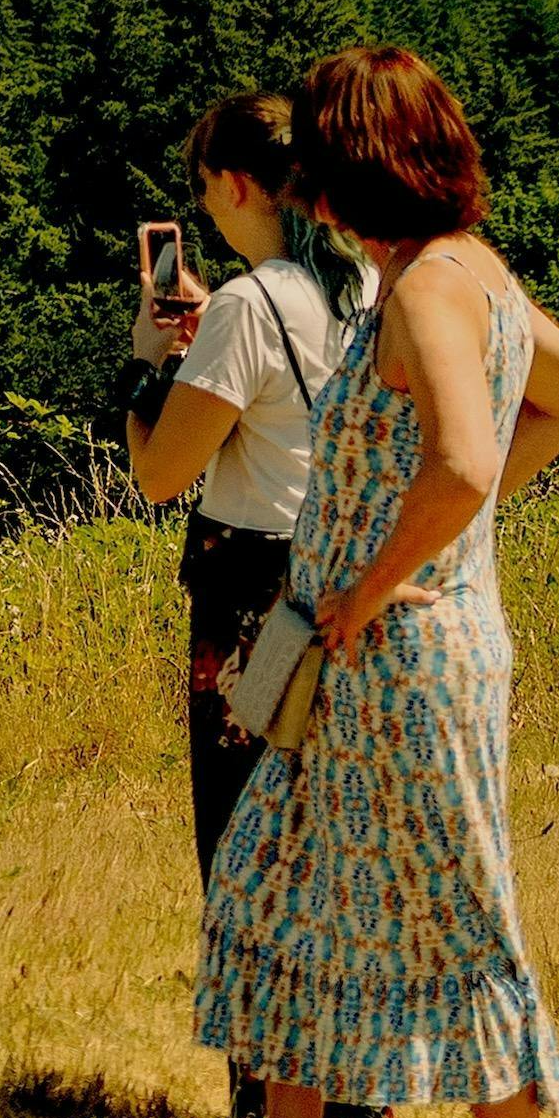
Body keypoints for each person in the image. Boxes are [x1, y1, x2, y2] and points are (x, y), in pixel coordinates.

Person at [174, 42, 559, 1118]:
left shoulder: (422, 292)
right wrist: (433, 555)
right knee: (282, 878)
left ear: (366, 166)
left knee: (456, 909)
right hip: (378, 646)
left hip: (398, 652)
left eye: (319, 162)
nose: (305, 189)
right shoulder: (474, 274)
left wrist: (379, 580)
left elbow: (463, 461)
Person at [126, 87, 349, 900]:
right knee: (324, 823)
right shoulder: (360, 282)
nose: (206, 208)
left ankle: (263, 1005)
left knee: (246, 826)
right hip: (350, 578)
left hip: (259, 603)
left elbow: (160, 474)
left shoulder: (249, 308)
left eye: (204, 187)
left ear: (237, 185)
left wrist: (150, 364)